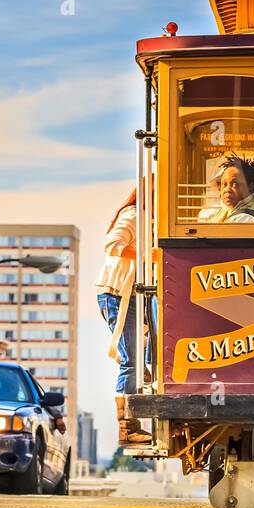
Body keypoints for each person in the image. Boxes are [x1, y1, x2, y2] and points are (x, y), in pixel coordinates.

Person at [96, 188, 152, 446]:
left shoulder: (148, 218)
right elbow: (112, 243)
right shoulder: (133, 214)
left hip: (130, 294)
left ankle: (144, 377)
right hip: (119, 294)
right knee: (131, 360)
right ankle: (127, 426)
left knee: (138, 358)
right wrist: (146, 257)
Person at [201, 155, 254, 223]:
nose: (227, 190)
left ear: (250, 186)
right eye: (224, 184)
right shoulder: (224, 212)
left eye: (235, 184)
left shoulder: (245, 218)